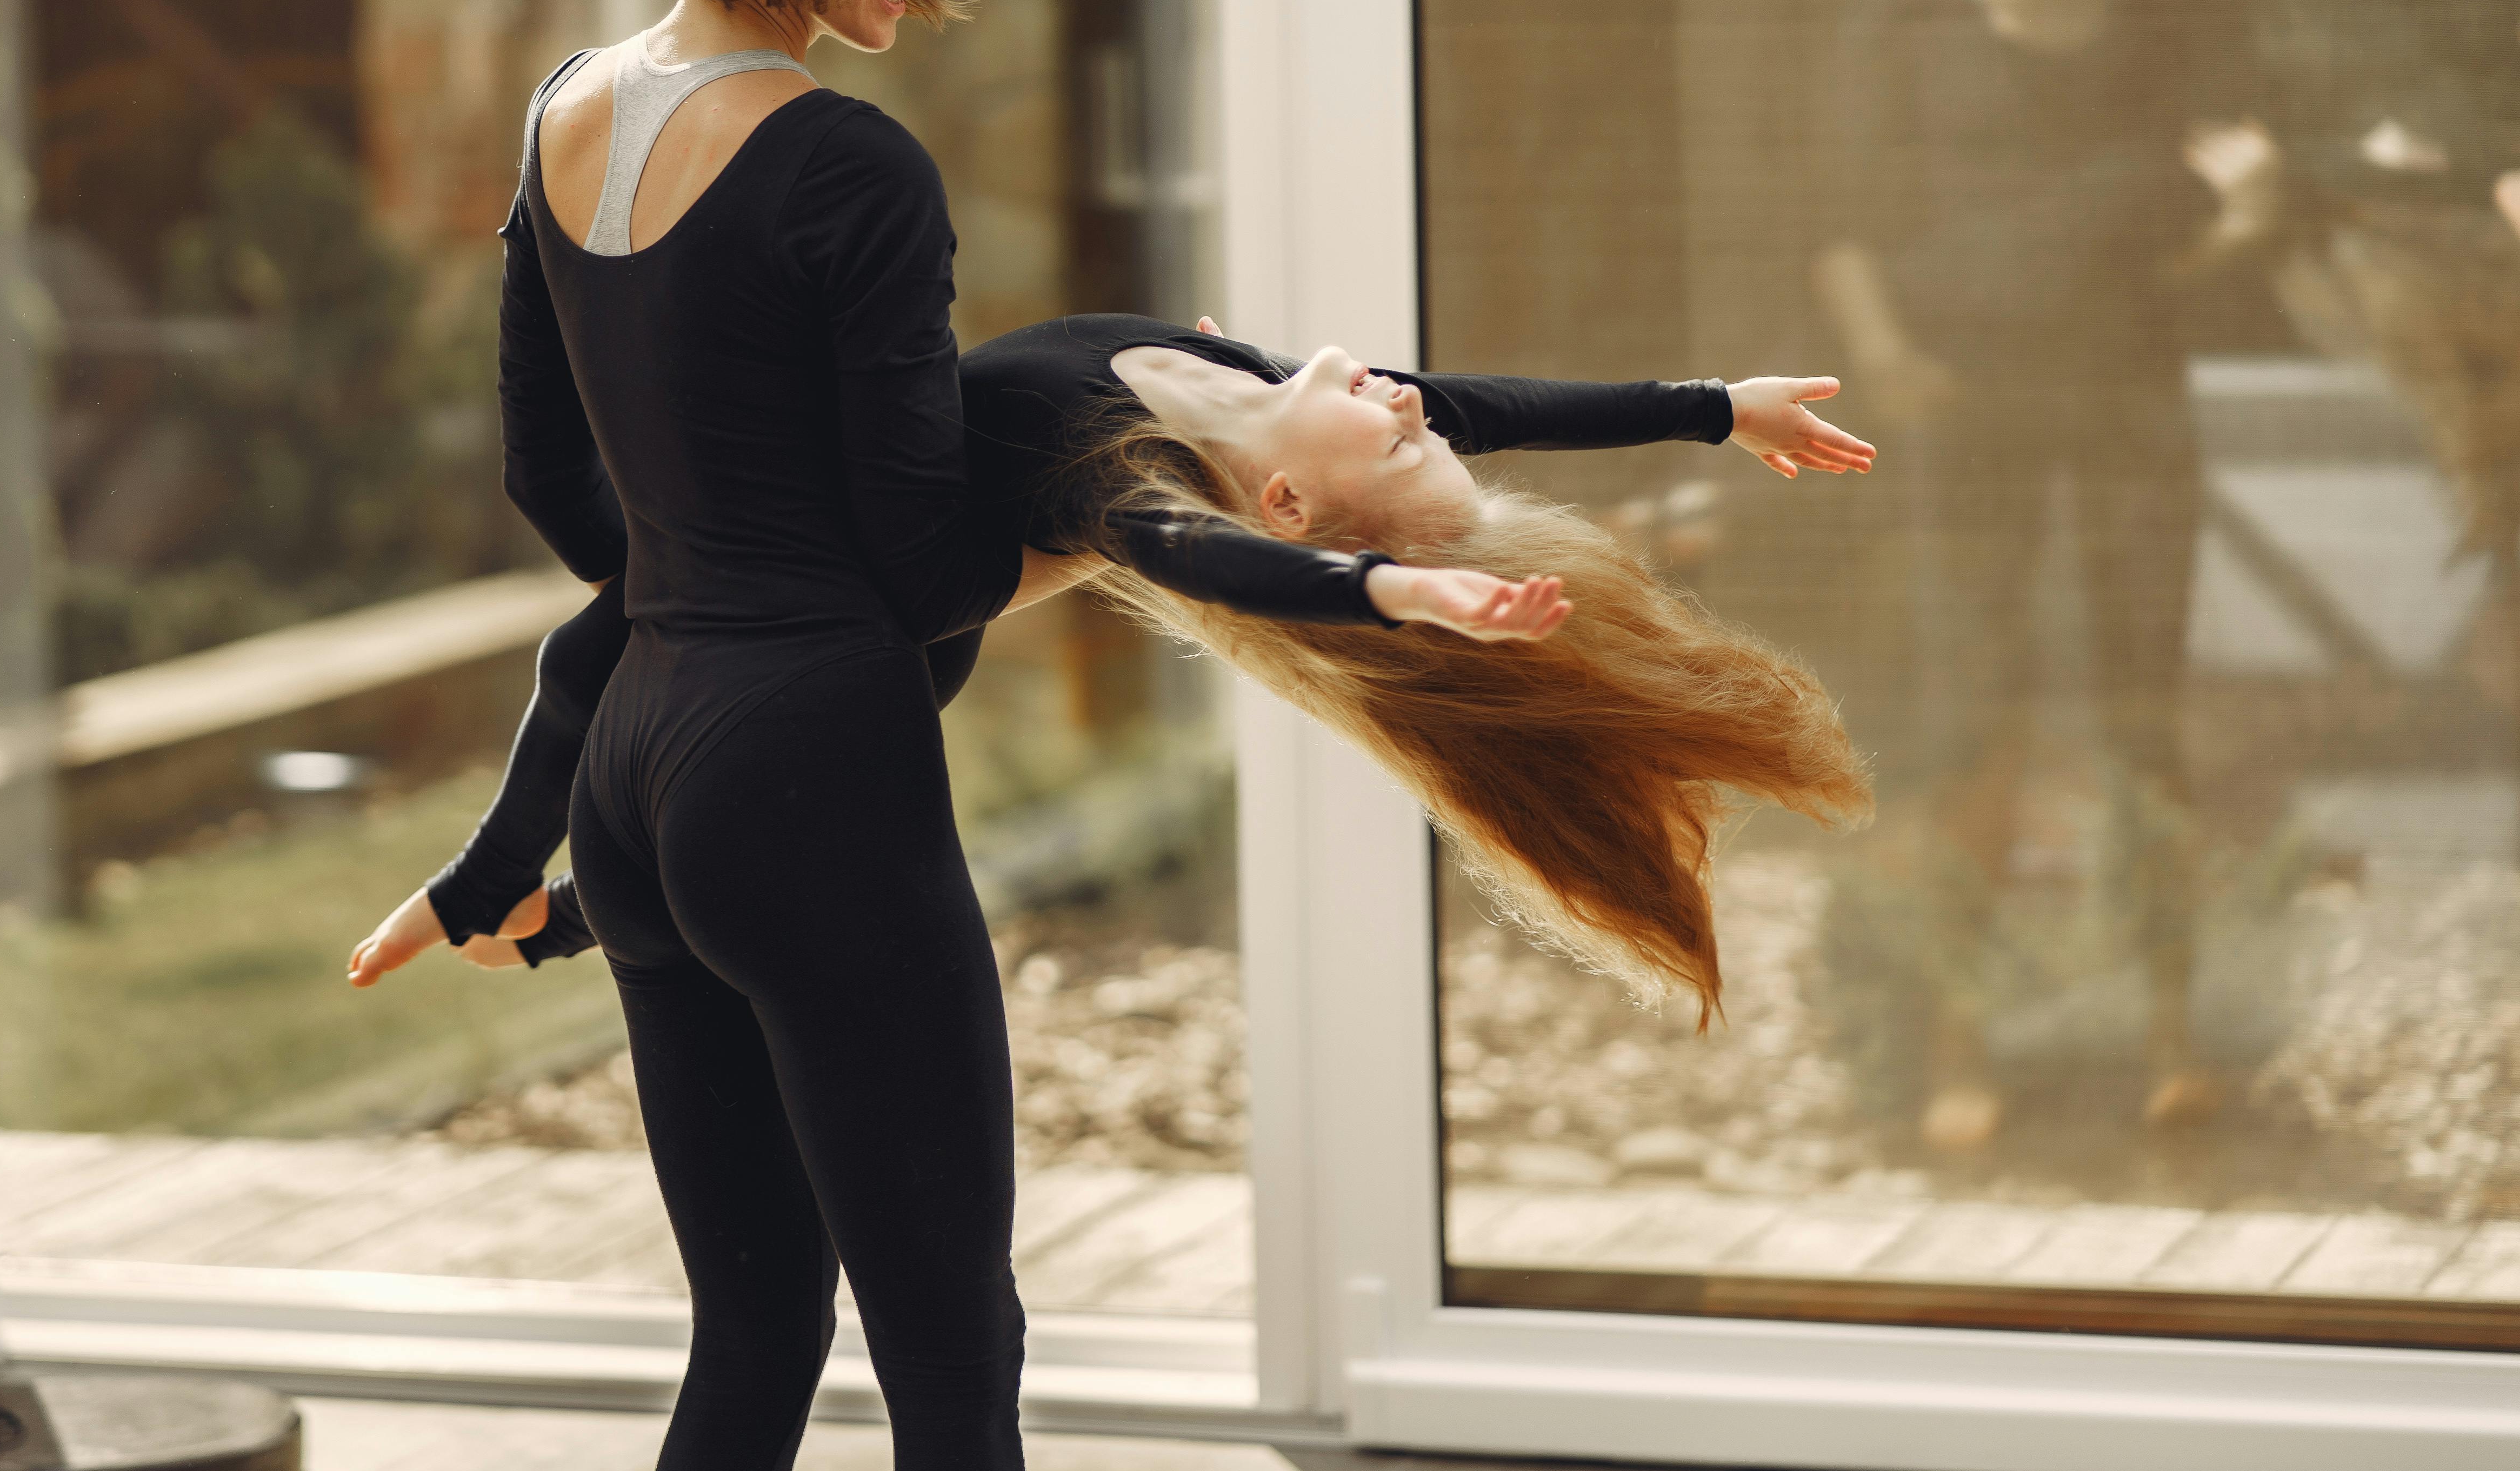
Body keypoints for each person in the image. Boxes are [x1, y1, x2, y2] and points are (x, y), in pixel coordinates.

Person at [439, 0, 1051, 1471]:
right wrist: (1100, 533)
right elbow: (932, 563)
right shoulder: (849, 167)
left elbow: (556, 483)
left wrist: (702, 576)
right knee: (953, 1353)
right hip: (813, 778)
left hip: (641, 772)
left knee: (756, 1333)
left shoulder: (568, 109)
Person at [359, 315, 1877, 1026]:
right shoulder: (1255, 390)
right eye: (1424, 430)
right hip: (902, 603)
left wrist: (1395, 588)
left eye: (1403, 441)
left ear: (1289, 505)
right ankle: (540, 921)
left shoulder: (1133, 478)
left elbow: (1195, 560)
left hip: (831, 594)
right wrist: (1714, 405)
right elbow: (1496, 394)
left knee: (599, 656)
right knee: (703, 777)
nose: (1417, 404)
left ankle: (510, 907)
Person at [1811, 0, 2276, 1148]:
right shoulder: (1906, 8)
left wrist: (2242, 224)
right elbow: (1840, 217)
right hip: (1971, 406)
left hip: (2124, 390)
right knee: (1970, 714)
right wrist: (1891, 361)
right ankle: (1964, 1041)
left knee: (2145, 701)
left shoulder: (2147, 24)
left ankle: (2173, 1031)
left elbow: (2184, 235)